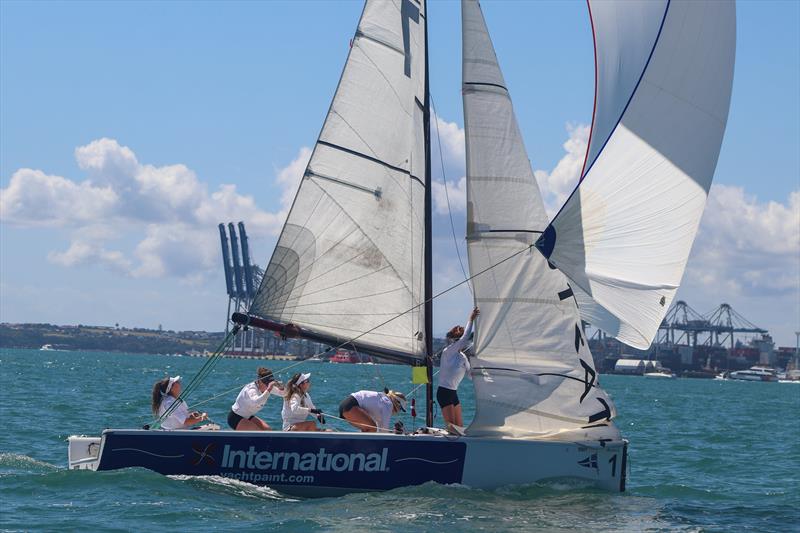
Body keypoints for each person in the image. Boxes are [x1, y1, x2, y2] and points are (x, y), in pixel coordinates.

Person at [438, 307, 479, 428]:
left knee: (459, 427)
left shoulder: (463, 357)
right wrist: (471, 319)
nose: (459, 328)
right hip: (444, 392)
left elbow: (471, 376)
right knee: (452, 428)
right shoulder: (448, 351)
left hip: (453, 393)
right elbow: (465, 337)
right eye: (458, 329)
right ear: (453, 337)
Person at [339, 389, 406, 432]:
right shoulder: (388, 404)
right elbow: (384, 430)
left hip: (346, 406)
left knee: (368, 429)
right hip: (351, 406)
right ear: (397, 404)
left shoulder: (384, 400)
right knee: (373, 428)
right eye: (400, 408)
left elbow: (380, 427)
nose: (398, 411)